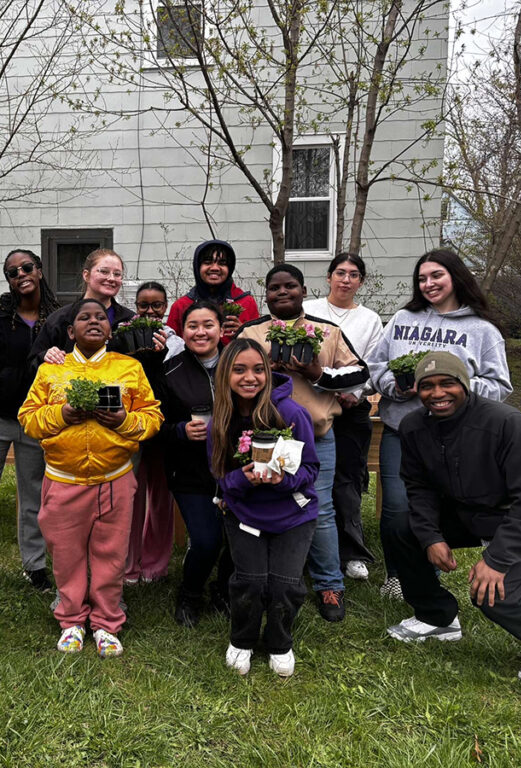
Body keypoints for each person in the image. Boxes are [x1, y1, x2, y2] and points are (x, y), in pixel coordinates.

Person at [385, 352, 521, 681]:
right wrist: (431, 536)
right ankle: (437, 618)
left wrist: (498, 559)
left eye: (448, 383)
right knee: (404, 527)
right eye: (427, 386)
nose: (438, 393)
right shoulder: (414, 426)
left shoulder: (505, 423)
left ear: (465, 385)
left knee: (491, 594)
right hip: (471, 511)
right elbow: (419, 488)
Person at [19, 299, 163, 657]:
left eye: (101, 317)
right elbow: (29, 419)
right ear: (70, 331)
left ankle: (106, 622)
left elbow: (153, 416)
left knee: (110, 555)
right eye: (84, 317)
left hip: (114, 479)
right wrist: (64, 414)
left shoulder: (128, 368)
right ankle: (70, 619)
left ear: (111, 330)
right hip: (64, 480)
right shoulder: (52, 371)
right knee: (66, 555)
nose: (94, 322)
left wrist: (126, 422)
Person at [369, 249, 511, 599]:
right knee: (397, 507)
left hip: (454, 438)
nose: (429, 284)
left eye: (436, 276)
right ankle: (396, 574)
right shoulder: (403, 319)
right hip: (401, 432)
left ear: (456, 277)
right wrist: (400, 386)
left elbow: (500, 387)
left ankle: (424, 573)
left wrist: (451, 386)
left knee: (437, 508)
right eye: (422, 278)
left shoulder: (482, 330)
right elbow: (375, 367)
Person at [235, 264, 369, 622]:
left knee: (320, 509)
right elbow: (232, 377)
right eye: (275, 287)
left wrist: (317, 374)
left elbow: (360, 372)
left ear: (303, 290)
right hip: (262, 437)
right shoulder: (252, 332)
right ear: (266, 293)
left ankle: (329, 583)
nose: (282, 292)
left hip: (316, 438)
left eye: (290, 286)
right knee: (260, 505)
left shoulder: (327, 332)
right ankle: (265, 579)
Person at [209, 338, 319, 677]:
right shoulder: (221, 420)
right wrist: (243, 480)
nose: (249, 377)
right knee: (251, 581)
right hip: (244, 513)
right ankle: (242, 639)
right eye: (239, 370)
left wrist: (281, 481)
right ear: (225, 374)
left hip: (293, 515)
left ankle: (279, 642)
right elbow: (219, 476)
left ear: (268, 373)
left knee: (285, 584)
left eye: (258, 369)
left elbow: (310, 469)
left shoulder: (289, 414)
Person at [0, 250, 59, 595]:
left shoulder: (58, 317)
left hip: (36, 421)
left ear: (39, 269)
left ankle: (34, 566)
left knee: (33, 495)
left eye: (26, 268)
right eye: (11, 272)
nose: (20, 274)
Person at [302, 253, 383, 581]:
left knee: (347, 480)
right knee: (306, 476)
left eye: (353, 275)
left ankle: (351, 553)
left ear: (361, 282)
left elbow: (374, 366)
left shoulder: (370, 319)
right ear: (329, 277)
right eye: (340, 273)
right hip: (312, 405)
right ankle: (305, 548)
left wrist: (357, 394)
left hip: (352, 407)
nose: (345, 279)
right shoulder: (310, 311)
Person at [159, 301, 233, 626]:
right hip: (190, 471)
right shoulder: (170, 369)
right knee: (206, 540)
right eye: (192, 326)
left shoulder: (238, 364)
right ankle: (190, 594)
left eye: (208, 325)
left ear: (220, 329)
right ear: (182, 330)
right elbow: (154, 424)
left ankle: (224, 591)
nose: (200, 332)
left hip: (236, 469)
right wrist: (180, 430)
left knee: (237, 537)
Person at [124, 281, 180, 587]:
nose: (150, 311)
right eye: (143, 305)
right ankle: (129, 565)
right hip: (132, 427)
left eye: (156, 305)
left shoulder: (176, 342)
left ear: (166, 306)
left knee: (161, 497)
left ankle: (155, 564)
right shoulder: (123, 337)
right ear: (136, 306)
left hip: (165, 426)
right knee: (132, 496)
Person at [30, 248, 134, 366]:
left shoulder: (130, 321)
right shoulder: (60, 319)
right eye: (104, 272)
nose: (111, 278)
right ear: (86, 275)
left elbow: (145, 370)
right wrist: (45, 356)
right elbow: (32, 367)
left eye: (117, 274)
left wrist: (156, 353)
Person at [165, 239, 260, 342]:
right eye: (207, 262)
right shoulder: (181, 306)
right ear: (198, 266)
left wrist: (243, 333)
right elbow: (171, 349)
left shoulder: (246, 303)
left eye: (222, 263)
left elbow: (259, 347)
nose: (215, 268)